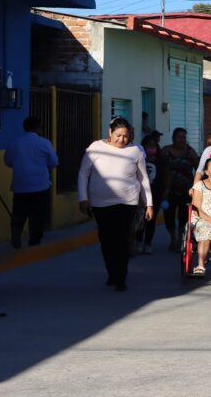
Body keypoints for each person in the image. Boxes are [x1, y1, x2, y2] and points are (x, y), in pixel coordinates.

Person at [78, 117, 153, 292]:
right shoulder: (96, 148)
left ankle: (121, 277)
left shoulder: (136, 151)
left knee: (123, 239)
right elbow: (83, 174)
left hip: (127, 202)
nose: (122, 140)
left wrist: (148, 203)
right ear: (110, 133)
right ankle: (112, 272)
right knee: (106, 240)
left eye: (125, 136)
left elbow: (143, 179)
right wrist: (83, 198)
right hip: (100, 203)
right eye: (118, 135)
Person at [3, 116, 58, 249]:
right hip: (40, 185)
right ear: (38, 128)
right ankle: (34, 241)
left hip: (20, 186)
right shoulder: (44, 143)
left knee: (19, 213)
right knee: (38, 215)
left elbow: (8, 162)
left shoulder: (14, 143)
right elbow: (54, 162)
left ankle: (16, 233)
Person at [159, 128, 199, 251]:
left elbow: (199, 168)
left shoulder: (190, 152)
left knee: (184, 217)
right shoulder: (165, 151)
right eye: (179, 137)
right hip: (168, 191)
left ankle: (181, 240)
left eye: (184, 137)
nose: (182, 139)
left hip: (186, 190)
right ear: (173, 138)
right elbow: (159, 168)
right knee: (169, 216)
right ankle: (173, 239)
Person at [135, 135, 162, 254]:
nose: (151, 148)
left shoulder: (161, 160)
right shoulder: (139, 159)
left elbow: (166, 176)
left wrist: (164, 192)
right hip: (140, 194)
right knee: (140, 219)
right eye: (148, 146)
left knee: (151, 220)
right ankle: (139, 241)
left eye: (153, 146)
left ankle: (148, 243)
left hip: (155, 194)